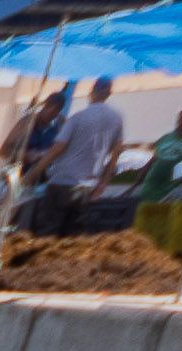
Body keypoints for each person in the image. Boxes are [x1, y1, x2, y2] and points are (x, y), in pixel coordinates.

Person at [34, 77, 126, 236]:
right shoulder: (116, 119)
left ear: (92, 92)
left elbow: (57, 149)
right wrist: (103, 183)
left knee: (47, 232)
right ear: (109, 93)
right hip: (87, 187)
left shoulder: (78, 118)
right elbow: (116, 153)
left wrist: (31, 175)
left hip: (62, 183)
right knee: (73, 235)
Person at [139, 106, 182, 202]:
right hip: (151, 184)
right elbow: (154, 159)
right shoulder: (165, 138)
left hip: (172, 187)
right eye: (181, 119)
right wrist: (141, 176)